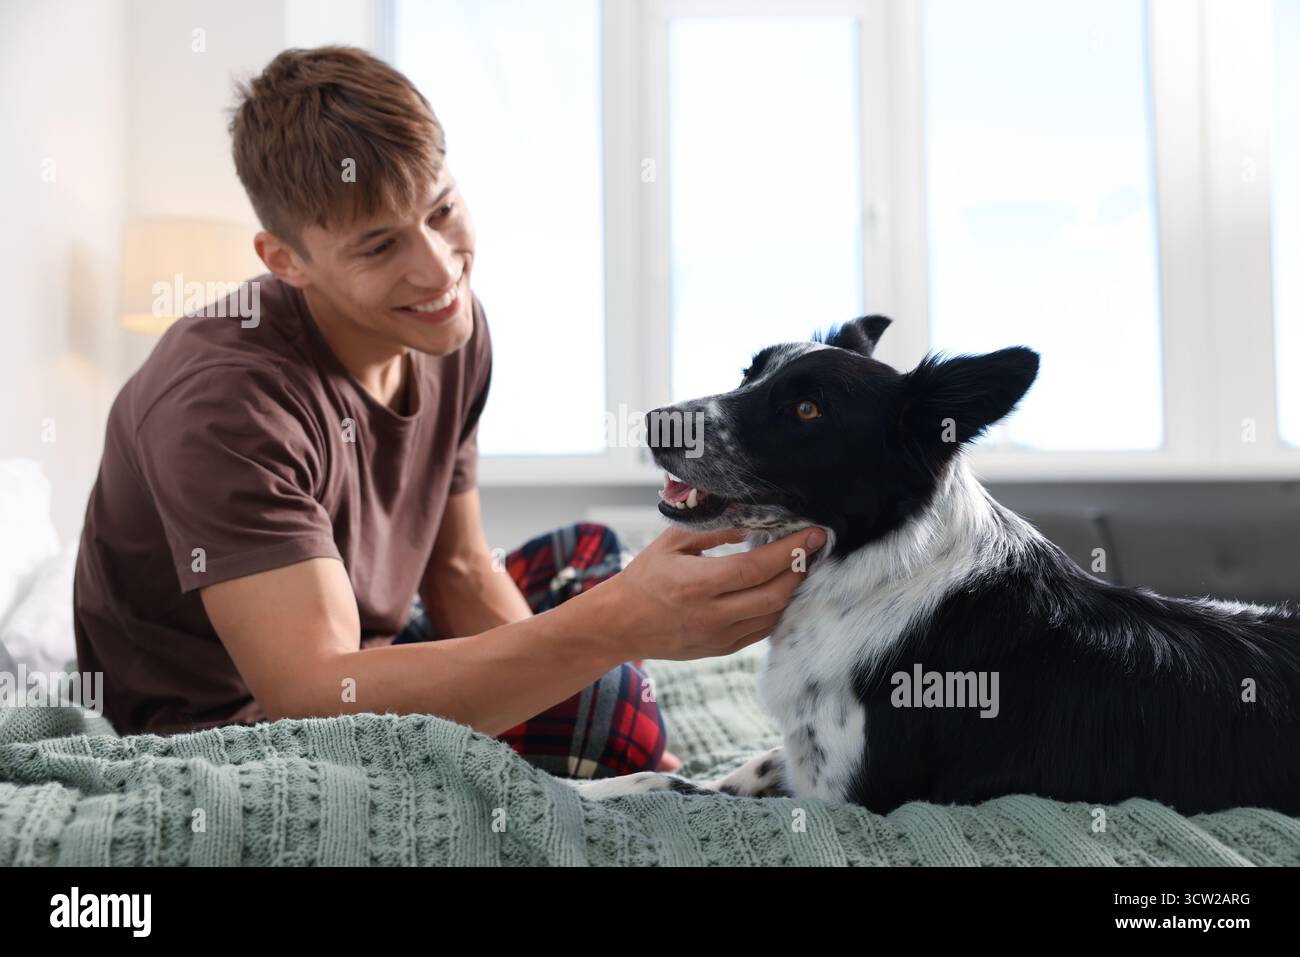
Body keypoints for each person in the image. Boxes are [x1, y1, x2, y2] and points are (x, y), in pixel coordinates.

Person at [72, 46, 823, 779]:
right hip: (244, 722)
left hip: (377, 652)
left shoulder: (444, 330)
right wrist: (616, 633)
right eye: (379, 247)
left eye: (441, 209)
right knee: (609, 684)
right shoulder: (221, 401)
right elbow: (314, 695)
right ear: (286, 260)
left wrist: (597, 657)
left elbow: (459, 567)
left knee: (591, 554)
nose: (438, 269)